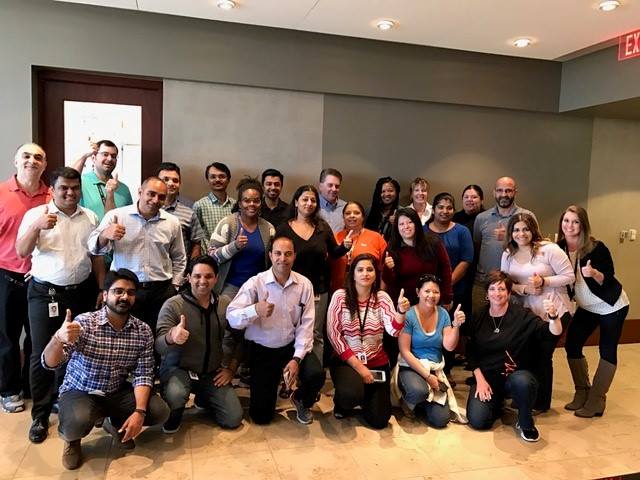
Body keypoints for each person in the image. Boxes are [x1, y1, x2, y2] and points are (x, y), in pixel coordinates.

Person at [41, 269, 170, 470]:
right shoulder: (84, 323)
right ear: (105, 294)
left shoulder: (143, 331)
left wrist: (139, 411)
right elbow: (49, 363)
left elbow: (143, 374)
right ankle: (72, 441)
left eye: (130, 292)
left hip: (116, 391)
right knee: (77, 421)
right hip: (81, 391)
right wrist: (58, 338)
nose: (124, 297)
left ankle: (115, 423)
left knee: (158, 411)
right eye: (118, 291)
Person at [16, 167, 105, 443]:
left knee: (76, 350)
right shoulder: (36, 215)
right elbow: (21, 251)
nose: (70, 193)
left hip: (82, 293)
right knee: (42, 351)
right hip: (45, 294)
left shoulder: (89, 216)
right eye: (63, 188)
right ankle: (40, 415)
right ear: (52, 190)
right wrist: (36, 227)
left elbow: (96, 255)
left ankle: (64, 401)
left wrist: (101, 287)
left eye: (75, 188)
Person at [226, 236, 324, 425]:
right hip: (263, 350)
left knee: (315, 375)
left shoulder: (304, 285)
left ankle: (300, 399)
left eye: (288, 254)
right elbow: (232, 317)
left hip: (290, 346)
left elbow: (306, 325)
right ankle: (272, 387)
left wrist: (296, 359)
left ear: (294, 256)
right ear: (270, 255)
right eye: (278, 253)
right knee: (261, 417)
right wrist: (255, 310)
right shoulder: (256, 283)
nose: (283, 259)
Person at [465, 271, 562, 443]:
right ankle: (496, 403)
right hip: (487, 379)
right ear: (487, 293)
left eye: (502, 289)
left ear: (509, 293)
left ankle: (525, 422)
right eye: (492, 289)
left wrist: (554, 317)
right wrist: (479, 379)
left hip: (515, 377)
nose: (497, 293)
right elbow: (471, 351)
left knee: (523, 381)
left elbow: (550, 333)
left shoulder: (522, 315)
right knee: (478, 421)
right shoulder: (479, 316)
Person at [156, 255, 243, 433]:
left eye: (208, 276)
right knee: (176, 394)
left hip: (211, 372)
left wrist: (231, 369)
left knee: (233, 418)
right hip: (178, 369)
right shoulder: (173, 305)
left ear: (216, 278)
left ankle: (204, 398)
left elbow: (241, 339)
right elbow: (158, 345)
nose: (203, 281)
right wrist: (171, 337)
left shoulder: (225, 304)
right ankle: (174, 412)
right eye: (197, 276)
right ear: (189, 278)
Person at [557, 205, 630, 418]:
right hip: (587, 307)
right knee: (572, 344)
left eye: (575, 222)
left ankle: (597, 399)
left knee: (607, 350)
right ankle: (582, 391)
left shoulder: (596, 247)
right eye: (566, 220)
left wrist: (595, 273)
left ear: (583, 225)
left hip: (612, 306)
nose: (570, 225)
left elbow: (609, 276)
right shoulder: (559, 247)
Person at [88, 177, 186, 332]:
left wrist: (175, 286)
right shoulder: (117, 216)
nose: (156, 200)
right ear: (140, 192)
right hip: (126, 290)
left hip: (161, 290)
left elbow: (179, 256)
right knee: (125, 335)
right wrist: (105, 235)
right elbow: (93, 248)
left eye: (161, 197)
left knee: (159, 334)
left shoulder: (172, 222)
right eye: (151, 194)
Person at [501, 212, 574, 413]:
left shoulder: (549, 249)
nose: (521, 234)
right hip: (526, 314)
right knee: (526, 356)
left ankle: (541, 403)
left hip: (554, 311)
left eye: (526, 229)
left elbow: (569, 276)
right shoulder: (508, 253)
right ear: (511, 232)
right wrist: (524, 289)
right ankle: (525, 396)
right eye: (516, 230)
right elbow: (505, 283)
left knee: (543, 356)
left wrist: (544, 281)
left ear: (533, 230)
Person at [327, 253, 409, 429]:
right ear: (353, 274)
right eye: (360, 270)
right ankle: (344, 400)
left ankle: (365, 397)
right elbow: (334, 334)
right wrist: (360, 368)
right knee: (350, 395)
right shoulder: (340, 296)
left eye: (370, 269)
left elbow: (394, 331)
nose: (365, 273)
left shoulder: (382, 297)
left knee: (380, 420)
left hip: (376, 360)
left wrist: (401, 312)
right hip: (347, 360)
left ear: (376, 274)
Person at [0, 143, 49, 414]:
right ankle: (8, 390)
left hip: (39, 278)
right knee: (6, 337)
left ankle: (32, 387)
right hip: (6, 274)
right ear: (16, 161)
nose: (32, 161)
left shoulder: (51, 196)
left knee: (36, 337)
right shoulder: (1, 193)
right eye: (26, 156)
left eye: (38, 157)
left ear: (44, 165)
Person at [276, 186, 350, 363]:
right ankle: (290, 372)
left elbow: (334, 253)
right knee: (289, 332)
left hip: (318, 289)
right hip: (289, 289)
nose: (309, 203)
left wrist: (344, 247)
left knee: (315, 334)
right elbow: (274, 258)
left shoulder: (322, 227)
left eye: (313, 200)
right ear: (296, 202)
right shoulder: (283, 229)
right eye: (305, 199)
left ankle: (314, 374)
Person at [397, 274, 466, 427]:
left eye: (436, 292)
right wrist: (428, 377)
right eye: (427, 291)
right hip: (412, 366)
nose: (432, 295)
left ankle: (422, 402)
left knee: (440, 420)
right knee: (418, 391)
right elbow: (405, 351)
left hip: (435, 367)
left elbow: (449, 346)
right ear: (418, 292)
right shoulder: (409, 315)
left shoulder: (443, 314)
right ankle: (408, 400)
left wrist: (456, 325)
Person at [472, 177, 535, 314]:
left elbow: (534, 247)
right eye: (500, 190)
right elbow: (477, 247)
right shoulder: (481, 218)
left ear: (515, 193)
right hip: (483, 283)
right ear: (494, 192)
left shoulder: (526, 216)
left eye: (508, 191)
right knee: (480, 321)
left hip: (515, 285)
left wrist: (507, 239)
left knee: (513, 323)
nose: (504, 194)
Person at [209, 177, 275, 298]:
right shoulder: (227, 224)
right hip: (229, 288)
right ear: (239, 203)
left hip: (258, 288)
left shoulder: (269, 228)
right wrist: (234, 246)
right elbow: (212, 257)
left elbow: (272, 261)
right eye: (246, 201)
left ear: (261, 203)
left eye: (256, 201)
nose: (252, 204)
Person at [427, 192, 474, 314]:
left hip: (456, 289)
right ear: (433, 210)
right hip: (427, 290)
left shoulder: (462, 231)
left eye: (449, 208)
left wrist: (447, 285)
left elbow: (466, 261)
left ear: (453, 211)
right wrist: (432, 286)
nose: (445, 211)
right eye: (441, 207)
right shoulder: (422, 231)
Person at [330, 201, 387, 293]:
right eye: (348, 213)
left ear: (363, 217)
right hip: (339, 291)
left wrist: (381, 292)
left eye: (356, 213)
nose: (352, 216)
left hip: (369, 291)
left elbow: (385, 269)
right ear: (343, 217)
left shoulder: (376, 237)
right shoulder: (335, 237)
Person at [72, 140, 133, 221]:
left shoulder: (124, 189)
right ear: (93, 158)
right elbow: (68, 178)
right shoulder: (82, 182)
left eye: (113, 156)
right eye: (105, 154)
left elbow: (129, 220)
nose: (110, 159)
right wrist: (85, 156)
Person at [156, 162, 205, 260]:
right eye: (166, 179)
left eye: (175, 180)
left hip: (179, 267)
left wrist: (192, 266)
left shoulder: (189, 213)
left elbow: (197, 243)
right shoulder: (148, 210)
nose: (171, 183)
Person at [193, 162, 235, 250]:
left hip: (232, 253)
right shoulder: (199, 205)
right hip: (208, 255)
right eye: (213, 177)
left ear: (228, 179)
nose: (217, 180)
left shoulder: (235, 205)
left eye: (222, 176)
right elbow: (196, 236)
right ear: (207, 180)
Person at [364, 176, 400, 241]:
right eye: (383, 191)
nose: (387, 194)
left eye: (390, 191)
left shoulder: (402, 212)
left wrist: (398, 223)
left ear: (396, 193)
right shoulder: (370, 210)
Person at [317, 168, 347, 233]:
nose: (334, 189)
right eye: (330, 185)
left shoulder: (346, 207)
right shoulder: (311, 206)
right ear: (320, 186)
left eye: (337, 186)